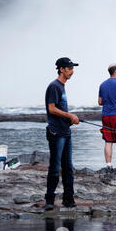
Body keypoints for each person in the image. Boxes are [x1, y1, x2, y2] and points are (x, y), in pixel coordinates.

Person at [44, 57, 80, 211]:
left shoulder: (62, 86)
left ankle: (68, 199)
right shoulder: (54, 86)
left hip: (65, 132)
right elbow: (51, 108)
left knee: (68, 167)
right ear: (62, 69)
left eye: (72, 68)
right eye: (70, 68)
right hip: (56, 133)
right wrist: (70, 116)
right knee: (55, 167)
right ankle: (49, 200)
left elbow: (59, 111)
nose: (72, 71)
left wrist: (69, 120)